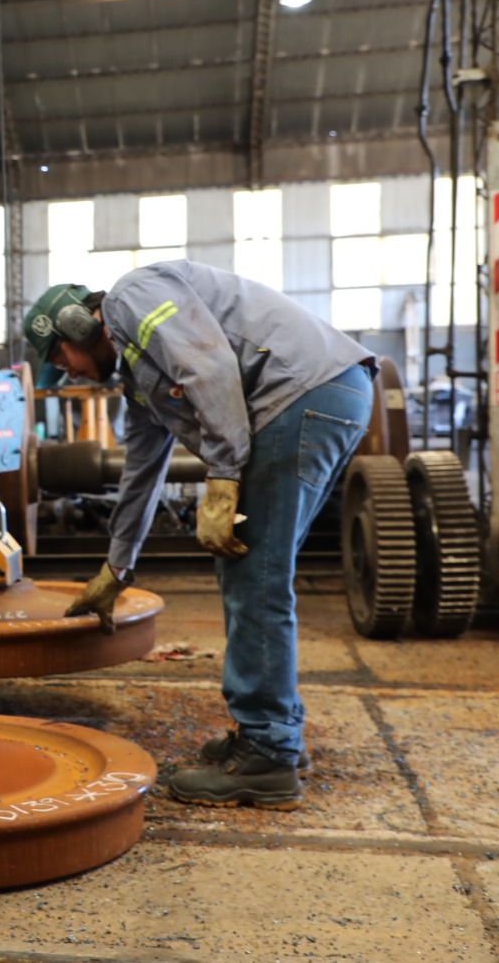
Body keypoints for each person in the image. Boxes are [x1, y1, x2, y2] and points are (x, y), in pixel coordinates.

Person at [25, 263, 375, 810]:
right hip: (323, 394)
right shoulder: (138, 377)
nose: (68, 376)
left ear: (73, 326)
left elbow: (208, 368)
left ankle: (269, 755)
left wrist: (224, 478)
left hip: (302, 394)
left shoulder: (130, 298)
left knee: (252, 576)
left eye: (59, 361)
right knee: (257, 573)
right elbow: (142, 470)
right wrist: (116, 568)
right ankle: (271, 732)